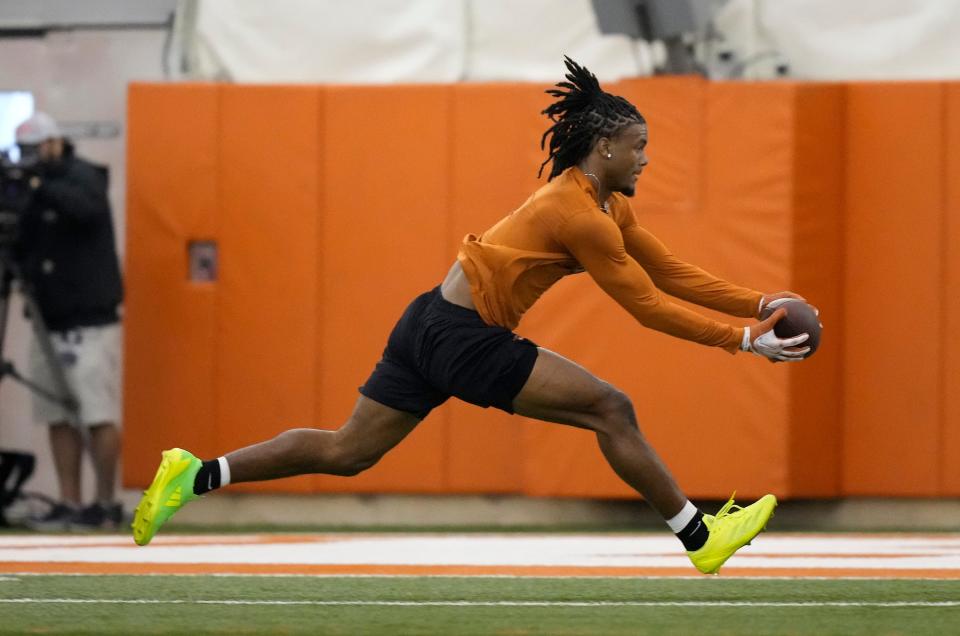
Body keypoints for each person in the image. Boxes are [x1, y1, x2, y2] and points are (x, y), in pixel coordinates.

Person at [132, 58, 811, 574]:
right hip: (462, 336)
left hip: (428, 318)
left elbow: (668, 271)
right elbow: (645, 306)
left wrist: (758, 304)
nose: (646, 157)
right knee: (610, 407)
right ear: (604, 149)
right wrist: (745, 342)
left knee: (347, 451)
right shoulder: (580, 214)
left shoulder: (603, 203)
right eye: (639, 146)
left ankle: (194, 474)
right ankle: (699, 537)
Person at [13, 112, 125, 530]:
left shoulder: (84, 177)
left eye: (35, 149)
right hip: (49, 317)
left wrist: (41, 186)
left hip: (89, 319)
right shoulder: (28, 189)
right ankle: (70, 501)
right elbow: (22, 243)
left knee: (96, 411)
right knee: (56, 414)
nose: (30, 160)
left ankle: (105, 502)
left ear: (55, 143)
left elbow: (85, 210)